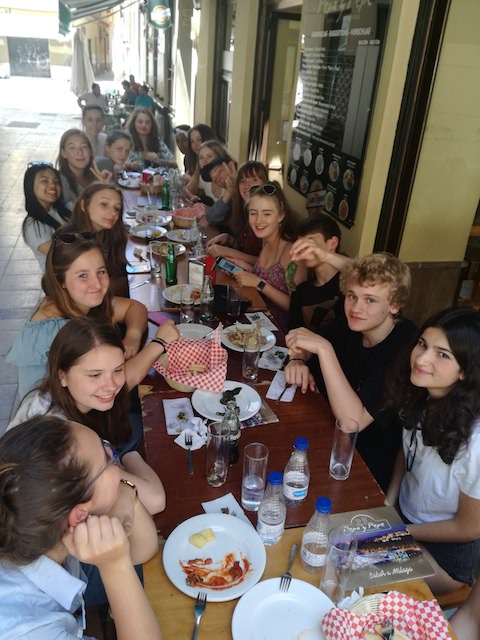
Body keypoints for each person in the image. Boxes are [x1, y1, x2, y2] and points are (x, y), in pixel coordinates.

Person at [0, 415, 162, 640]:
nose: (112, 455)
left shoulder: (45, 529)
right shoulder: (26, 631)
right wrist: (114, 566)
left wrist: (126, 493)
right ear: (80, 516)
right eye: (107, 459)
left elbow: (143, 552)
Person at [8, 317, 179, 513]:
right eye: (95, 375)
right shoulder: (62, 439)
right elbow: (155, 500)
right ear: (62, 375)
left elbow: (128, 378)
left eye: (117, 369)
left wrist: (160, 343)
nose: (111, 385)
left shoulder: (60, 395)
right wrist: (128, 454)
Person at [286, 253, 416, 491]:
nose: (356, 308)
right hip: (328, 432)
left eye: (370, 300)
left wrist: (324, 350)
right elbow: (304, 342)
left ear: (395, 306)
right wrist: (296, 360)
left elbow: (350, 423)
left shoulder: (404, 348)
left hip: (364, 465)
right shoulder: (354, 325)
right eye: (352, 296)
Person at [385, 307, 480, 595]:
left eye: (443, 355)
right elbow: (407, 452)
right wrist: (388, 504)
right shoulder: (425, 394)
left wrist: (397, 533)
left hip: (444, 555)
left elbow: (468, 528)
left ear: (466, 370)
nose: (422, 359)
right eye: (423, 344)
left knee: (355, 571)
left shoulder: (476, 440)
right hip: (404, 519)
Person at [7, 234, 148, 398]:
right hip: (57, 413)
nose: (97, 284)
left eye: (101, 271)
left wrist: (133, 336)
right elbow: (111, 386)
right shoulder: (58, 328)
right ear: (60, 280)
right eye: (83, 275)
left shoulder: (78, 299)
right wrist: (159, 343)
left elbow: (134, 307)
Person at [228, 181, 307, 333]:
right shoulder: (266, 240)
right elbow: (267, 277)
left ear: (281, 216)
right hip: (256, 319)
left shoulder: (292, 254)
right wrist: (246, 268)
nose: (258, 221)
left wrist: (258, 283)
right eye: (253, 213)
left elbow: (295, 307)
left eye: (267, 214)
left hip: (278, 333)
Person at [59, 182, 129, 297]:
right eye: (104, 204)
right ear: (84, 206)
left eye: (117, 208)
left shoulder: (111, 235)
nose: (113, 213)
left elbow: (120, 276)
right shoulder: (69, 240)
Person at [287, 214, 350, 332]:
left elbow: (366, 271)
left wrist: (324, 255)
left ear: (333, 243)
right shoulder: (301, 292)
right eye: (301, 244)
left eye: (311, 243)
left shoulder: (350, 284)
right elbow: (293, 333)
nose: (304, 250)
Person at [206, 160, 267, 258]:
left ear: (265, 183)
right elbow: (211, 218)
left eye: (254, 180)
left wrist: (228, 252)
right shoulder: (244, 207)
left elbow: (263, 264)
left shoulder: (268, 216)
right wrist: (229, 238)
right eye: (242, 181)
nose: (247, 186)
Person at [22, 162, 71, 268]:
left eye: (56, 181)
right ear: (30, 186)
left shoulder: (67, 208)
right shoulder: (33, 225)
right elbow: (62, 257)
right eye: (44, 181)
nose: (52, 185)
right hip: (61, 277)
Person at [56, 129, 111, 209]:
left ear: (90, 151)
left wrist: (104, 186)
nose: (80, 152)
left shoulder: (94, 177)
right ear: (63, 153)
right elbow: (70, 209)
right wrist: (99, 190)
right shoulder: (60, 181)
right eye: (72, 148)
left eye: (84, 146)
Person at [124, 107, 177, 175]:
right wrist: (129, 165)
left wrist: (159, 161)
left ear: (152, 125)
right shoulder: (126, 142)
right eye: (140, 122)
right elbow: (117, 164)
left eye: (147, 122)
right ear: (133, 124)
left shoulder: (157, 141)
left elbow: (174, 163)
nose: (144, 125)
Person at [184, 139, 229, 204]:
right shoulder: (203, 178)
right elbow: (186, 188)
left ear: (220, 157)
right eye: (201, 157)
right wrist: (192, 197)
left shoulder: (228, 179)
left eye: (209, 156)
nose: (204, 161)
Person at [200, 155, 238, 225]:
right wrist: (229, 192)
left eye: (219, 171)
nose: (218, 179)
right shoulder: (229, 197)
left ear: (231, 165)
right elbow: (211, 218)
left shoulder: (248, 186)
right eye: (215, 180)